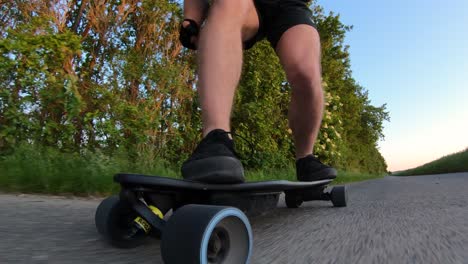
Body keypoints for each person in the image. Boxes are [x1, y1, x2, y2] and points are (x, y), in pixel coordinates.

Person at [179, 0, 337, 184]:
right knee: (229, 4)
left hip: (290, 6)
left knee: (307, 74)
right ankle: (216, 138)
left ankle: (306, 160)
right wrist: (191, 19)